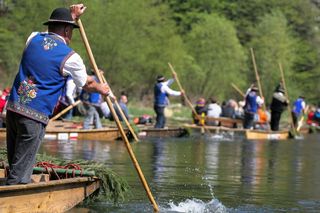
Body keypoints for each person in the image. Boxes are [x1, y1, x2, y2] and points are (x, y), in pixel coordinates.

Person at [5, 4, 109, 185]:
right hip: (34, 116)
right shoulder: (71, 57)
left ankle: (18, 184)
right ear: (68, 31)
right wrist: (101, 88)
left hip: (13, 110)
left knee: (16, 163)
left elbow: (50, 43)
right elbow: (86, 84)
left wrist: (72, 16)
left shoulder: (32, 38)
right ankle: (16, 197)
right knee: (19, 173)